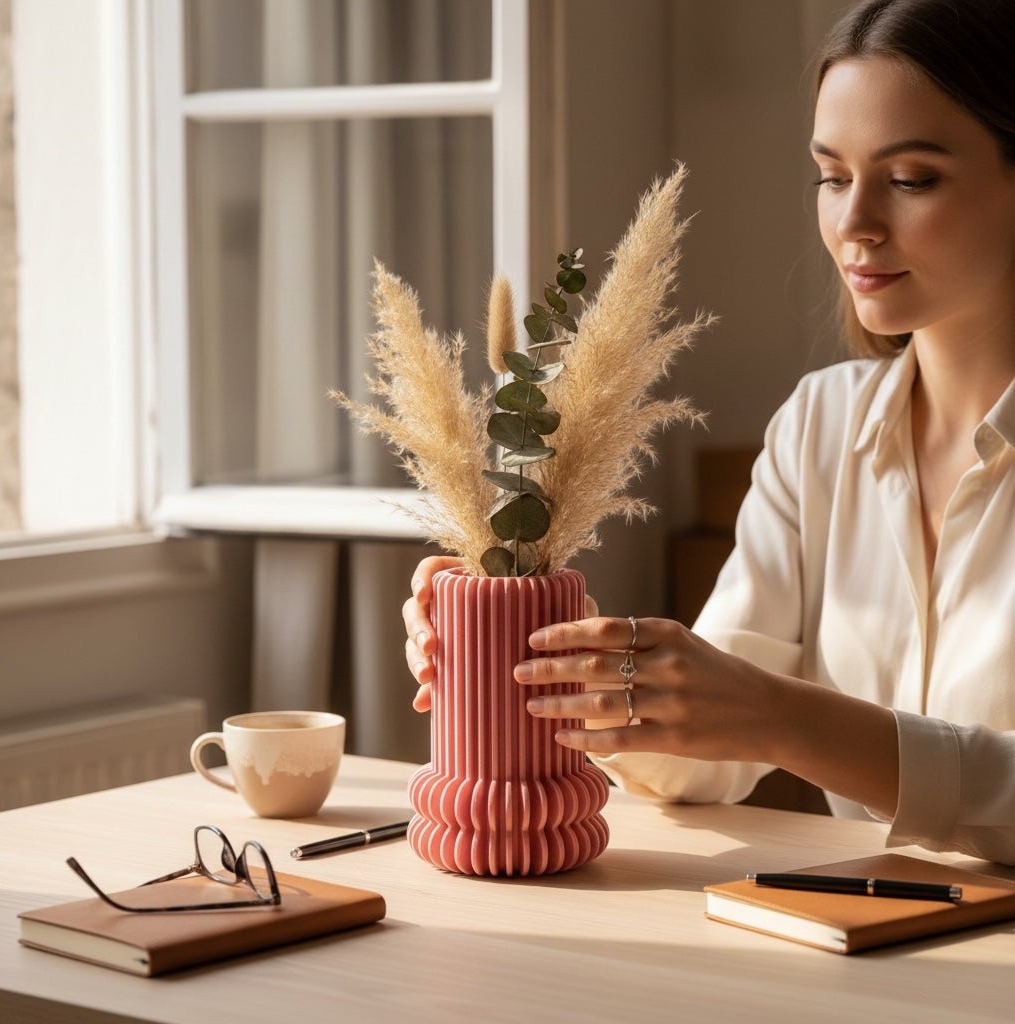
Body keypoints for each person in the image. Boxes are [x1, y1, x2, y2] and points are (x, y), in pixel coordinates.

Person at [401, 0, 1015, 866]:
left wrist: (788, 718)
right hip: (874, 951)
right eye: (832, 177)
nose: (854, 223)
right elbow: (702, 754)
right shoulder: (821, 425)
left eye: (910, 178)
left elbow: (759, 713)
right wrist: (531, 656)